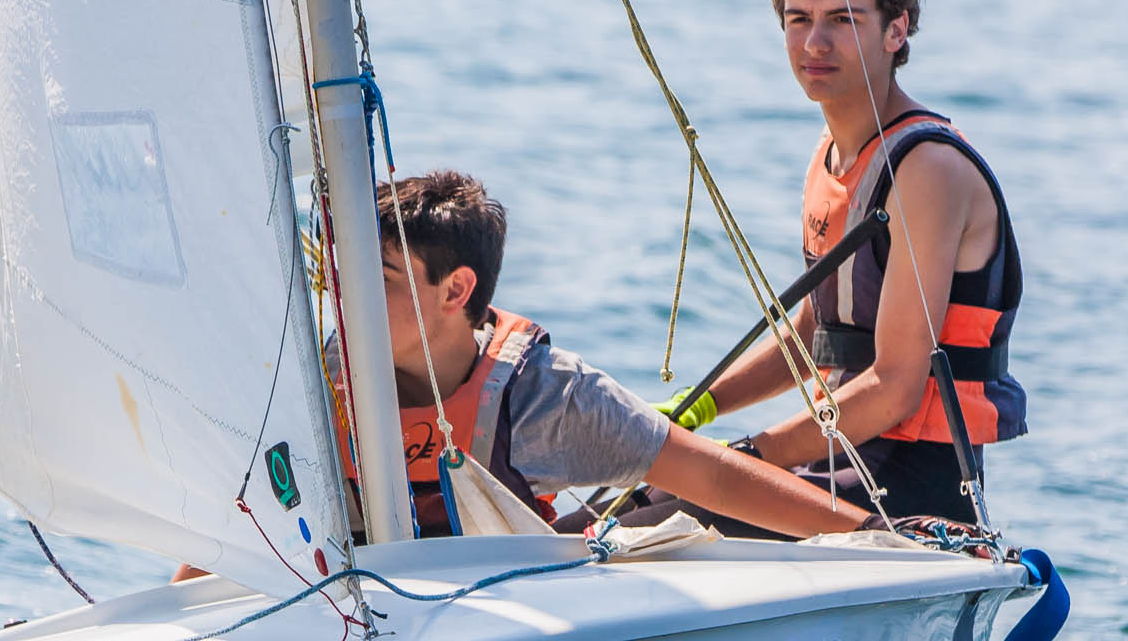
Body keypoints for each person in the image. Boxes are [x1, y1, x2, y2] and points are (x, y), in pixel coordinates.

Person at [660, 0, 1026, 524]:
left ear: (896, 30)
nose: (814, 43)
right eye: (798, 19)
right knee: (625, 497)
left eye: (842, 20)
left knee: (650, 524)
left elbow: (896, 387)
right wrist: (700, 409)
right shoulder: (832, 156)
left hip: (908, 491)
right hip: (834, 462)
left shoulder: (926, 170)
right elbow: (818, 328)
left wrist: (747, 457)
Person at [334, 170, 871, 541]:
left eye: (379, 278)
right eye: (343, 273)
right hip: (351, 620)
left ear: (455, 290)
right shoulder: (313, 381)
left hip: (494, 622)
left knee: (690, 517)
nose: (346, 296)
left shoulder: (547, 396)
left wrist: (872, 534)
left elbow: (714, 477)